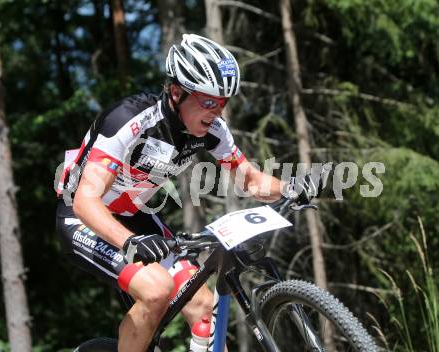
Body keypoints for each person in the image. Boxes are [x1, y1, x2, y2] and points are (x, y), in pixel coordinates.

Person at [55, 33, 318, 352]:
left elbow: (249, 179)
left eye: (222, 103)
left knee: (204, 306)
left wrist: (290, 188)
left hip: (136, 216)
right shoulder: (130, 119)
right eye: (209, 101)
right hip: (84, 218)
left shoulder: (212, 132)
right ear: (177, 93)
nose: (217, 112)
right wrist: (128, 241)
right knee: (156, 291)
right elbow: (85, 200)